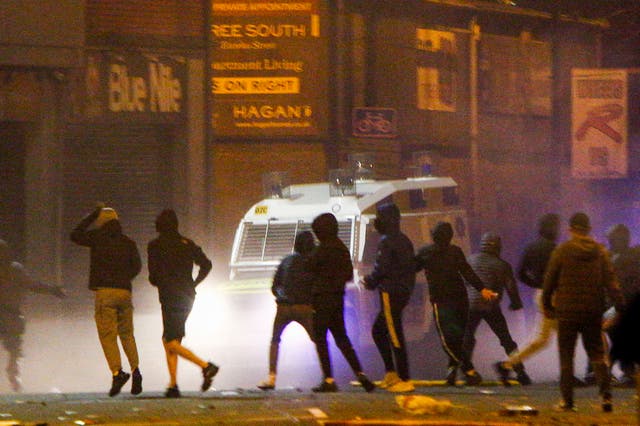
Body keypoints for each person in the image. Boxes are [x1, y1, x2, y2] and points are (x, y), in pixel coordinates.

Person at [542, 212, 623, 412]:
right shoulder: (601, 251)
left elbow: (549, 281)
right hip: (592, 310)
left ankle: (568, 402)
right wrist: (620, 306)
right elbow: (611, 283)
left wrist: (548, 306)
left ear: (571, 230)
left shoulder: (562, 250)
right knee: (597, 353)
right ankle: (606, 398)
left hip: (567, 311)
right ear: (588, 230)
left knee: (566, 356)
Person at [70, 204, 143, 397]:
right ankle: (136, 371)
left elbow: (75, 235)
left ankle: (118, 373)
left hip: (105, 293)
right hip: (125, 292)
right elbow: (137, 266)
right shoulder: (129, 242)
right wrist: (124, 278)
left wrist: (93, 214)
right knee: (127, 334)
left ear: (101, 222)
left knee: (108, 335)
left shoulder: (96, 238)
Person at [415, 221, 497, 386]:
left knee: (447, 340)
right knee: (457, 338)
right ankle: (452, 371)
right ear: (451, 237)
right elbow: (467, 272)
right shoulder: (456, 251)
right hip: (460, 300)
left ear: (433, 236)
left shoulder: (425, 252)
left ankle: (468, 370)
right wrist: (482, 289)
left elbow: (410, 268)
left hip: (442, 302)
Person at [147, 209, 218, 398]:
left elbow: (153, 276)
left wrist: (161, 281)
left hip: (169, 296)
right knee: (171, 339)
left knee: (170, 340)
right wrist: (195, 282)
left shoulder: (154, 246)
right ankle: (172, 385)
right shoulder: (187, 243)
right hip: (187, 295)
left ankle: (206, 366)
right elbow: (207, 264)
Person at [309, 213, 375, 393]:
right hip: (338, 299)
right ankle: (361, 374)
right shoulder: (342, 249)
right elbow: (348, 275)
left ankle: (328, 379)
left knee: (321, 339)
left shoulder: (320, 251)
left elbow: (309, 271)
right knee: (342, 338)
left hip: (321, 299)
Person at [494, 213, 563, 385]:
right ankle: (567, 374)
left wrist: (538, 284)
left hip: (540, 294)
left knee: (543, 339)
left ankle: (506, 365)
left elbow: (521, 274)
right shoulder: (555, 249)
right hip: (555, 296)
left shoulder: (531, 247)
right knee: (558, 337)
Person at [462, 232, 530, 386]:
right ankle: (520, 372)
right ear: (498, 247)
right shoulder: (502, 265)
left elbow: (463, 282)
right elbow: (511, 287)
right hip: (490, 306)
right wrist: (516, 303)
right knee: (506, 339)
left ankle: (467, 371)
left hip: (470, 304)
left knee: (467, 337)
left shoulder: (470, 260)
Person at [362, 203, 416, 393]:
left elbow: (381, 267)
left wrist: (370, 281)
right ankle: (391, 373)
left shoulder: (386, 241)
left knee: (393, 334)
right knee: (379, 331)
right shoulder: (404, 239)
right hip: (402, 290)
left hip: (390, 291)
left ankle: (403, 378)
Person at [0, 239, 65, 392]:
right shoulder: (15, 270)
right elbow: (32, 285)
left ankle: (14, 378)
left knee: (14, 351)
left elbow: (32, 285)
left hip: (11, 316)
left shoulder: (15, 270)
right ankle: (14, 378)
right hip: (10, 316)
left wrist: (52, 290)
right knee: (14, 351)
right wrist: (52, 290)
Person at [257, 231, 317, 391]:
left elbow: (274, 285)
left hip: (284, 307)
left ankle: (271, 377)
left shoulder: (287, 260)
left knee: (275, 340)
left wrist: (281, 297)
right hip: (304, 307)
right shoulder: (313, 262)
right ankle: (328, 377)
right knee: (318, 340)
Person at [601, 224, 640, 386]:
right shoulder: (627, 256)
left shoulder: (624, 257)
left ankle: (624, 371)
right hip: (622, 304)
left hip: (622, 305)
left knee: (610, 332)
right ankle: (626, 370)